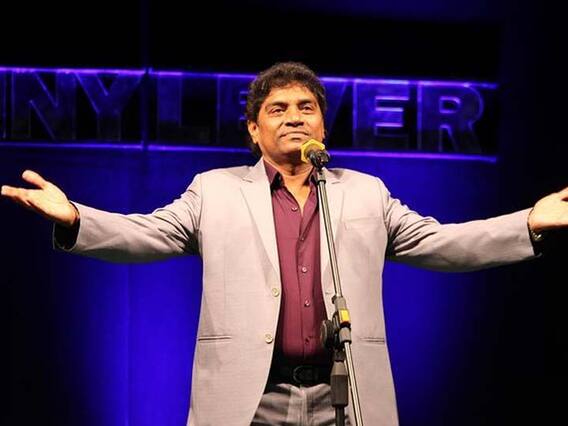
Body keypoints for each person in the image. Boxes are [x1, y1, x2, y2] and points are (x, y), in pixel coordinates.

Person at [1, 62, 567, 426]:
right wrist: (75, 217)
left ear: (323, 125)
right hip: (252, 400)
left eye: (306, 108)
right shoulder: (214, 190)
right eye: (277, 109)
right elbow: (146, 233)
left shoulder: (366, 192)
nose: (294, 118)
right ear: (254, 130)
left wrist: (529, 223)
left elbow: (442, 242)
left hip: (344, 399)